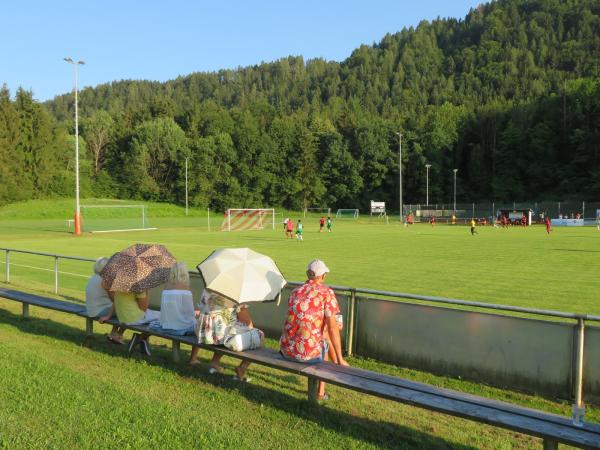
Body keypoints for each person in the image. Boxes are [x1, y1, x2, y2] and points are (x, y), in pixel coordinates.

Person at [280, 259, 348, 400]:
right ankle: (321, 392)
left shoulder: (295, 292)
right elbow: (333, 327)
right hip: (306, 355)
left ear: (307, 274)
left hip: (286, 351)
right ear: (323, 276)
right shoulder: (326, 293)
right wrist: (341, 359)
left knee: (321, 337)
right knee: (323, 341)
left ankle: (321, 391)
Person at [190, 290, 254, 381]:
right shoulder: (236, 292)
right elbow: (248, 323)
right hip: (219, 338)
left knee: (224, 326)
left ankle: (194, 358)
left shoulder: (209, 288)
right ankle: (242, 368)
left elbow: (201, 308)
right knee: (257, 335)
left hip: (202, 333)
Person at [86, 257, 125, 344]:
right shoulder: (106, 280)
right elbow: (115, 300)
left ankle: (114, 333)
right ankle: (117, 334)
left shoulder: (94, 277)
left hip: (91, 310)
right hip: (99, 311)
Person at [113, 288, 160, 356]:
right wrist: (147, 293)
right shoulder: (140, 288)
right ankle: (141, 338)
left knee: (154, 317)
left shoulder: (121, 285)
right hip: (134, 318)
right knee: (163, 316)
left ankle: (142, 339)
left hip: (122, 318)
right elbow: (144, 308)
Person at [159, 262, 195, 331]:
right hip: (181, 326)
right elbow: (189, 312)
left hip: (166, 324)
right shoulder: (185, 288)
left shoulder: (166, 286)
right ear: (185, 273)